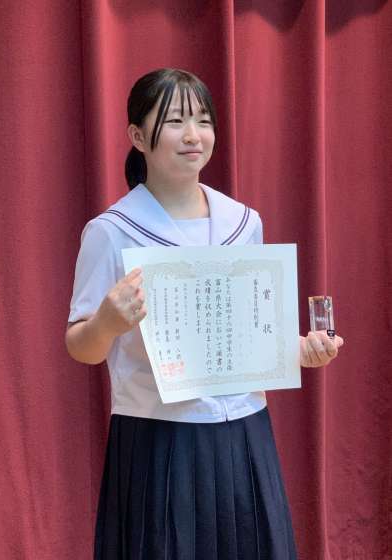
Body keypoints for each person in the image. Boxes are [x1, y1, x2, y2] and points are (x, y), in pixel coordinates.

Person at [65, 68, 344, 560]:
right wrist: (106, 323)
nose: (193, 135)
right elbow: (80, 346)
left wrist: (303, 350)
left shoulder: (243, 222)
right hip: (159, 438)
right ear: (137, 137)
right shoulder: (112, 231)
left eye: (203, 120)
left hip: (244, 429)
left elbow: (252, 339)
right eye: (174, 121)